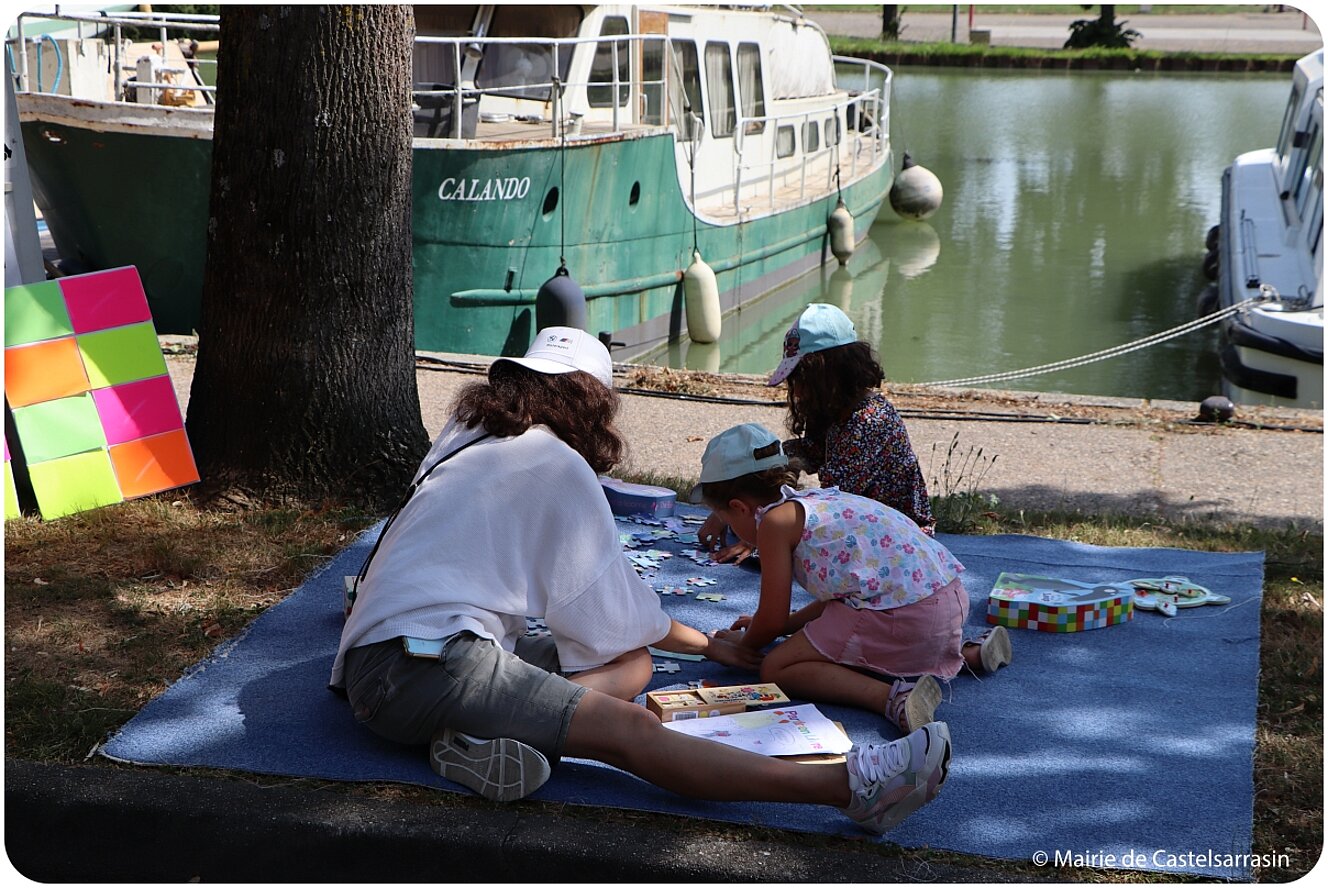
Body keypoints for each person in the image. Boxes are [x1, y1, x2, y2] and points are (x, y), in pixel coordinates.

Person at [329, 327, 951, 835]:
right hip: (423, 665)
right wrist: (711, 644)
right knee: (628, 729)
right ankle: (849, 787)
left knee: (635, 662)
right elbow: (613, 614)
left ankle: (472, 737)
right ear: (592, 404)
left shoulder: (461, 438)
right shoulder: (557, 463)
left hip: (386, 660)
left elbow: (626, 634)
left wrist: (707, 644)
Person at [698, 423, 1012, 732]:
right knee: (839, 627)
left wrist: (744, 645)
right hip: (948, 602)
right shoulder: (819, 502)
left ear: (739, 508)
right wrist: (789, 627)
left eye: (725, 520)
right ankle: (969, 654)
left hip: (906, 618)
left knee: (777, 667)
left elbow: (772, 616)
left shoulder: (773, 525)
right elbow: (842, 598)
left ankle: (893, 697)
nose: (728, 529)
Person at [700, 303, 933, 564]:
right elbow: (798, 454)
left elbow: (832, 511)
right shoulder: (834, 408)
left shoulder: (869, 423)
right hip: (857, 528)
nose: (796, 392)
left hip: (897, 543)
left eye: (800, 379)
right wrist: (728, 505)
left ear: (829, 374)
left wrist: (757, 537)